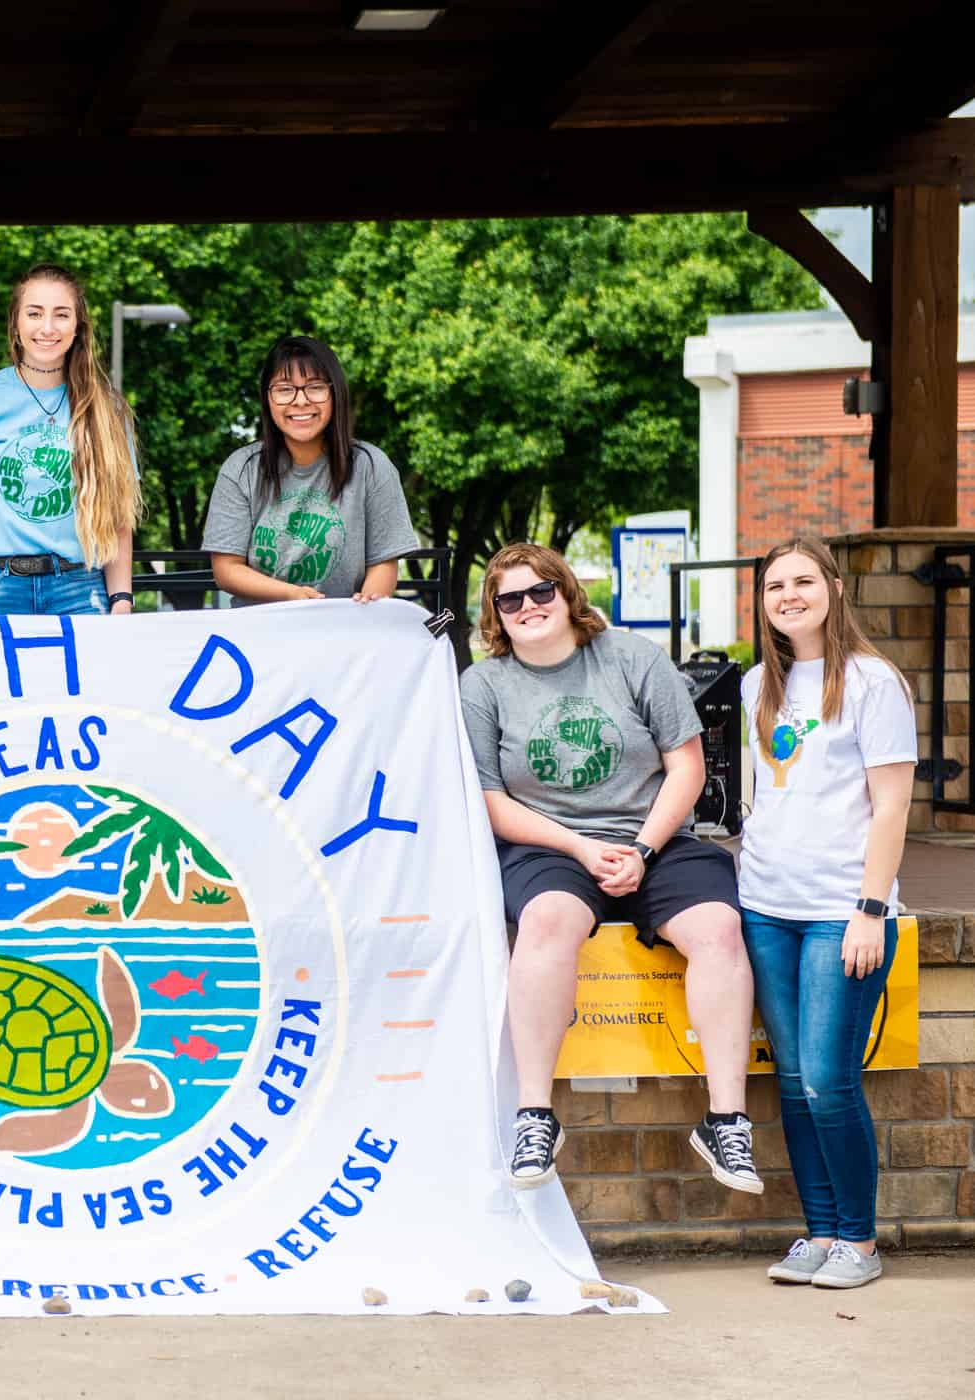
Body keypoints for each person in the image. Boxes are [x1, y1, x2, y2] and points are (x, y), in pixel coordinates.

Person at [458, 543, 760, 1194]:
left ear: (567, 594)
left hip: (656, 837)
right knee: (543, 923)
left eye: (541, 591)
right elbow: (489, 800)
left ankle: (726, 1119)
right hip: (550, 846)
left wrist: (644, 851)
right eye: (510, 599)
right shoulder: (483, 684)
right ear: (496, 614)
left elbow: (687, 766)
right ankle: (535, 1115)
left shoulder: (632, 658)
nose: (528, 607)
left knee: (719, 930)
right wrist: (581, 849)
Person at [739, 537, 914, 1289]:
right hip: (765, 905)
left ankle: (859, 1243)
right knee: (790, 1079)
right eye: (775, 584)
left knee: (828, 1082)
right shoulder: (757, 685)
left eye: (803, 580)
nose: (789, 594)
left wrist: (871, 910)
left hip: (840, 910)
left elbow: (894, 804)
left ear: (835, 590)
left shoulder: (874, 682)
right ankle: (818, 1232)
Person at [0, 263, 141, 617]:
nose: (47, 328)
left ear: (78, 327)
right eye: (34, 313)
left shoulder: (108, 409)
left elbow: (118, 518)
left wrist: (121, 599)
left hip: (80, 589)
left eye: (61, 315)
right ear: (16, 323)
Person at [201, 334, 419, 604]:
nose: (300, 401)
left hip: (344, 629)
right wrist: (293, 596)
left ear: (335, 393)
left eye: (315, 387)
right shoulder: (240, 469)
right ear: (267, 399)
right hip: (257, 634)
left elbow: (383, 563)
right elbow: (226, 569)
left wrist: (368, 604)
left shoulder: (372, 466)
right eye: (284, 389)